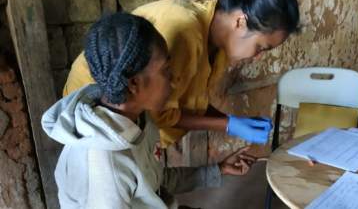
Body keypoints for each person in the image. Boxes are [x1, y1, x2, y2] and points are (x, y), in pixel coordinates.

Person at [62, 0, 300, 147]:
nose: (258, 56)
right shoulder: (184, 31)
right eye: (261, 47)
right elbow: (160, 114)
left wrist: (232, 122)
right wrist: (227, 124)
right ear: (240, 22)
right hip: (100, 118)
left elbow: (187, 103)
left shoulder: (219, 44)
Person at [42, 13, 256, 209]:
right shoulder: (104, 165)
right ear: (134, 84)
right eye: (166, 70)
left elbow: (155, 183)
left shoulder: (138, 118)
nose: (175, 79)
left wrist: (217, 170)